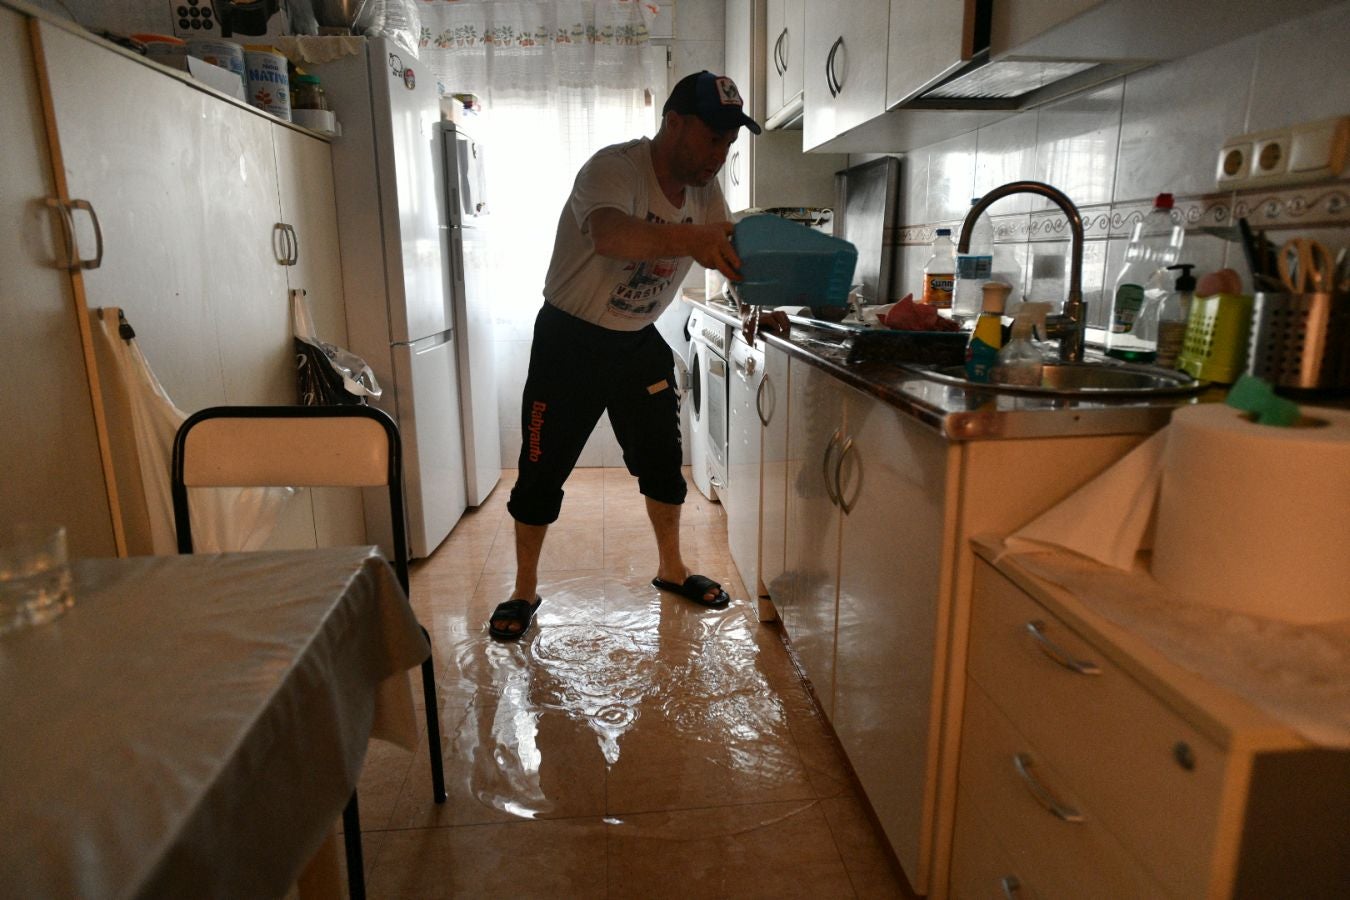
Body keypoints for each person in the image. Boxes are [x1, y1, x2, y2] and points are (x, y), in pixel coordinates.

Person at [488, 70, 778, 640]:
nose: (720, 153)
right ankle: (524, 590)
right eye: (712, 138)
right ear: (673, 123)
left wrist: (751, 305)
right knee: (540, 471)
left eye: (729, 142)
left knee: (662, 461)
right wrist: (691, 238)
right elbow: (610, 235)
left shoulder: (703, 191)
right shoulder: (614, 168)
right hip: (569, 341)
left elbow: (719, 249)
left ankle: (671, 569)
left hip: (637, 342)